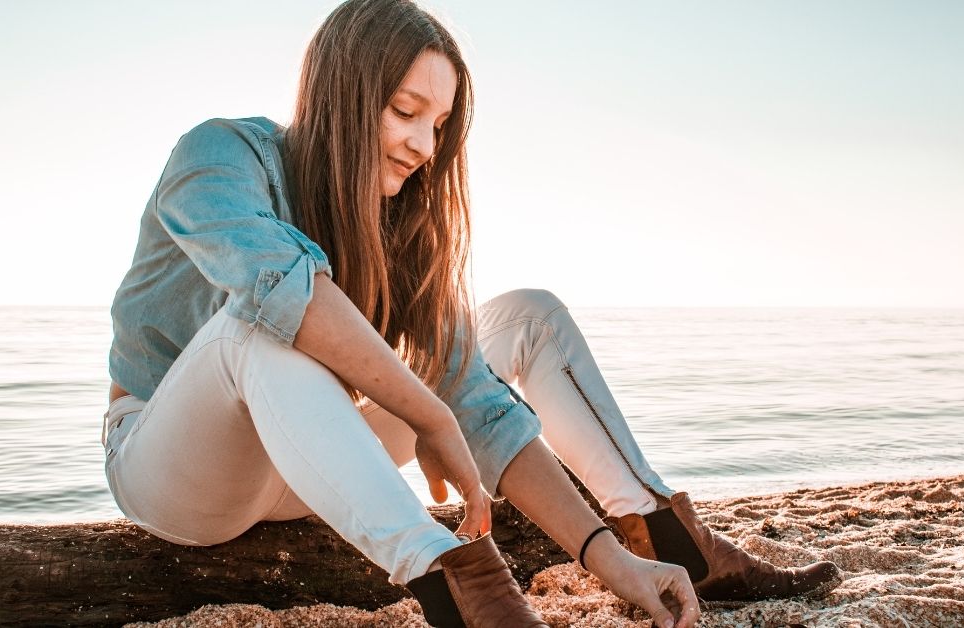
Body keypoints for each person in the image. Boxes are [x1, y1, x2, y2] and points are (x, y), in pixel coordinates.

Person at [101, 1, 841, 626]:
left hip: (312, 453)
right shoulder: (219, 157)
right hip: (180, 468)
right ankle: (463, 590)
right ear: (342, 94)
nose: (425, 146)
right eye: (404, 111)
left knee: (526, 318)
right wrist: (430, 415)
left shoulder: (400, 219)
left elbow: (480, 402)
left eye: (440, 124)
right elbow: (283, 293)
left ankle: (666, 541)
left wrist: (607, 562)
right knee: (260, 326)